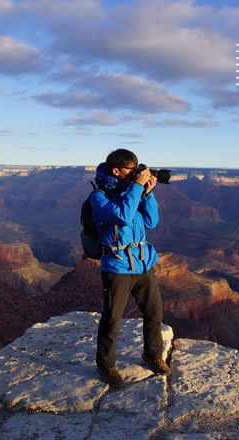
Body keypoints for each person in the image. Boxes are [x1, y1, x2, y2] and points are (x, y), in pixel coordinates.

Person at [91, 149, 171, 387]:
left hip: (143, 263)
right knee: (113, 318)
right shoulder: (99, 197)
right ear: (116, 170)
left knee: (154, 312)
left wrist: (147, 194)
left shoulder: (132, 193)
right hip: (117, 266)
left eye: (137, 168)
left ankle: (153, 355)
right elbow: (123, 217)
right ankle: (106, 364)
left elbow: (151, 222)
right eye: (131, 169)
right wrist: (136, 188)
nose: (137, 173)